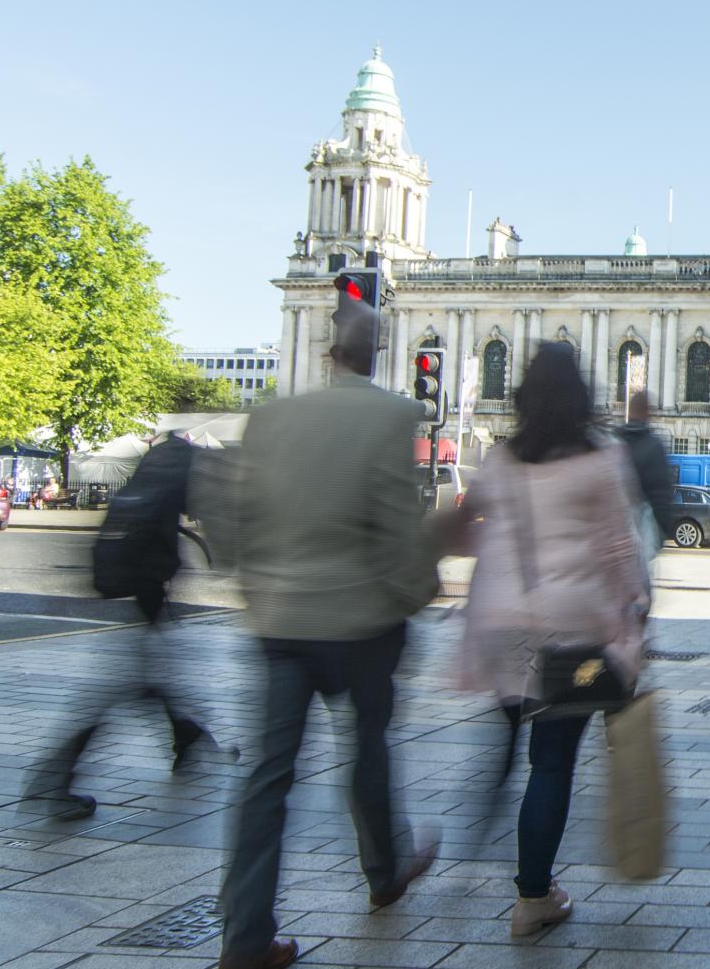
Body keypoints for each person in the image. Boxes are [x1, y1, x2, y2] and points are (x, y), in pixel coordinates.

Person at [218, 302, 440, 969]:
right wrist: (416, 596)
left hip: (280, 620)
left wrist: (257, 591)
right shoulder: (394, 415)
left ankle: (245, 936)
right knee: (368, 749)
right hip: (361, 620)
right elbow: (398, 527)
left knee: (265, 778)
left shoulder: (270, 417)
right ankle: (383, 872)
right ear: (378, 352)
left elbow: (237, 520)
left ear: (327, 350)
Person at [443, 342, 649, 939]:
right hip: (571, 631)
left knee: (507, 741)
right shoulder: (600, 460)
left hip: (501, 624)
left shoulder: (503, 459)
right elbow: (618, 552)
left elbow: (464, 527)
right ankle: (532, 894)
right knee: (552, 763)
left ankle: (478, 831)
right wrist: (635, 614)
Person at [29, 431, 230, 818]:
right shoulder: (183, 462)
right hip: (149, 578)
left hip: (140, 575)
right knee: (125, 686)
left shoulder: (156, 462)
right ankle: (54, 780)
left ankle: (185, 737)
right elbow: (201, 509)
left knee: (146, 676)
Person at [617, 392, 678, 560]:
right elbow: (663, 495)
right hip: (643, 534)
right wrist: (660, 535)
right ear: (647, 413)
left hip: (615, 535)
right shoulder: (654, 446)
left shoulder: (614, 441)